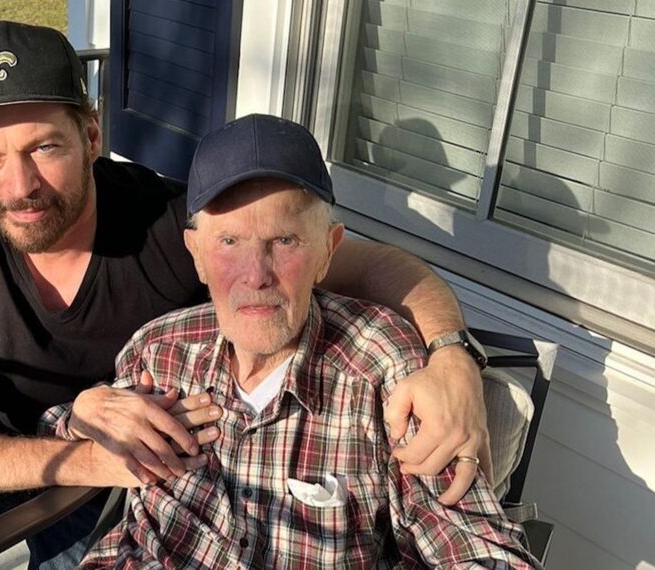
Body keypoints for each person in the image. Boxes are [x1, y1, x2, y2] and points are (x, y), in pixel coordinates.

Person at [0, 20, 492, 570]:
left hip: (135, 440)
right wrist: (87, 455)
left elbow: (377, 265)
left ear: (91, 135)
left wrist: (451, 355)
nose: (20, 186)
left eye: (45, 147)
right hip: (49, 433)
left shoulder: (178, 225)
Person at [42, 114, 539, 569]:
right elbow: (64, 427)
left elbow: (473, 545)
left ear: (328, 251)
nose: (255, 277)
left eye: (284, 242)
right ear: (196, 254)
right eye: (229, 242)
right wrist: (82, 411)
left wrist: (454, 356)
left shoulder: (383, 366)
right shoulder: (162, 348)